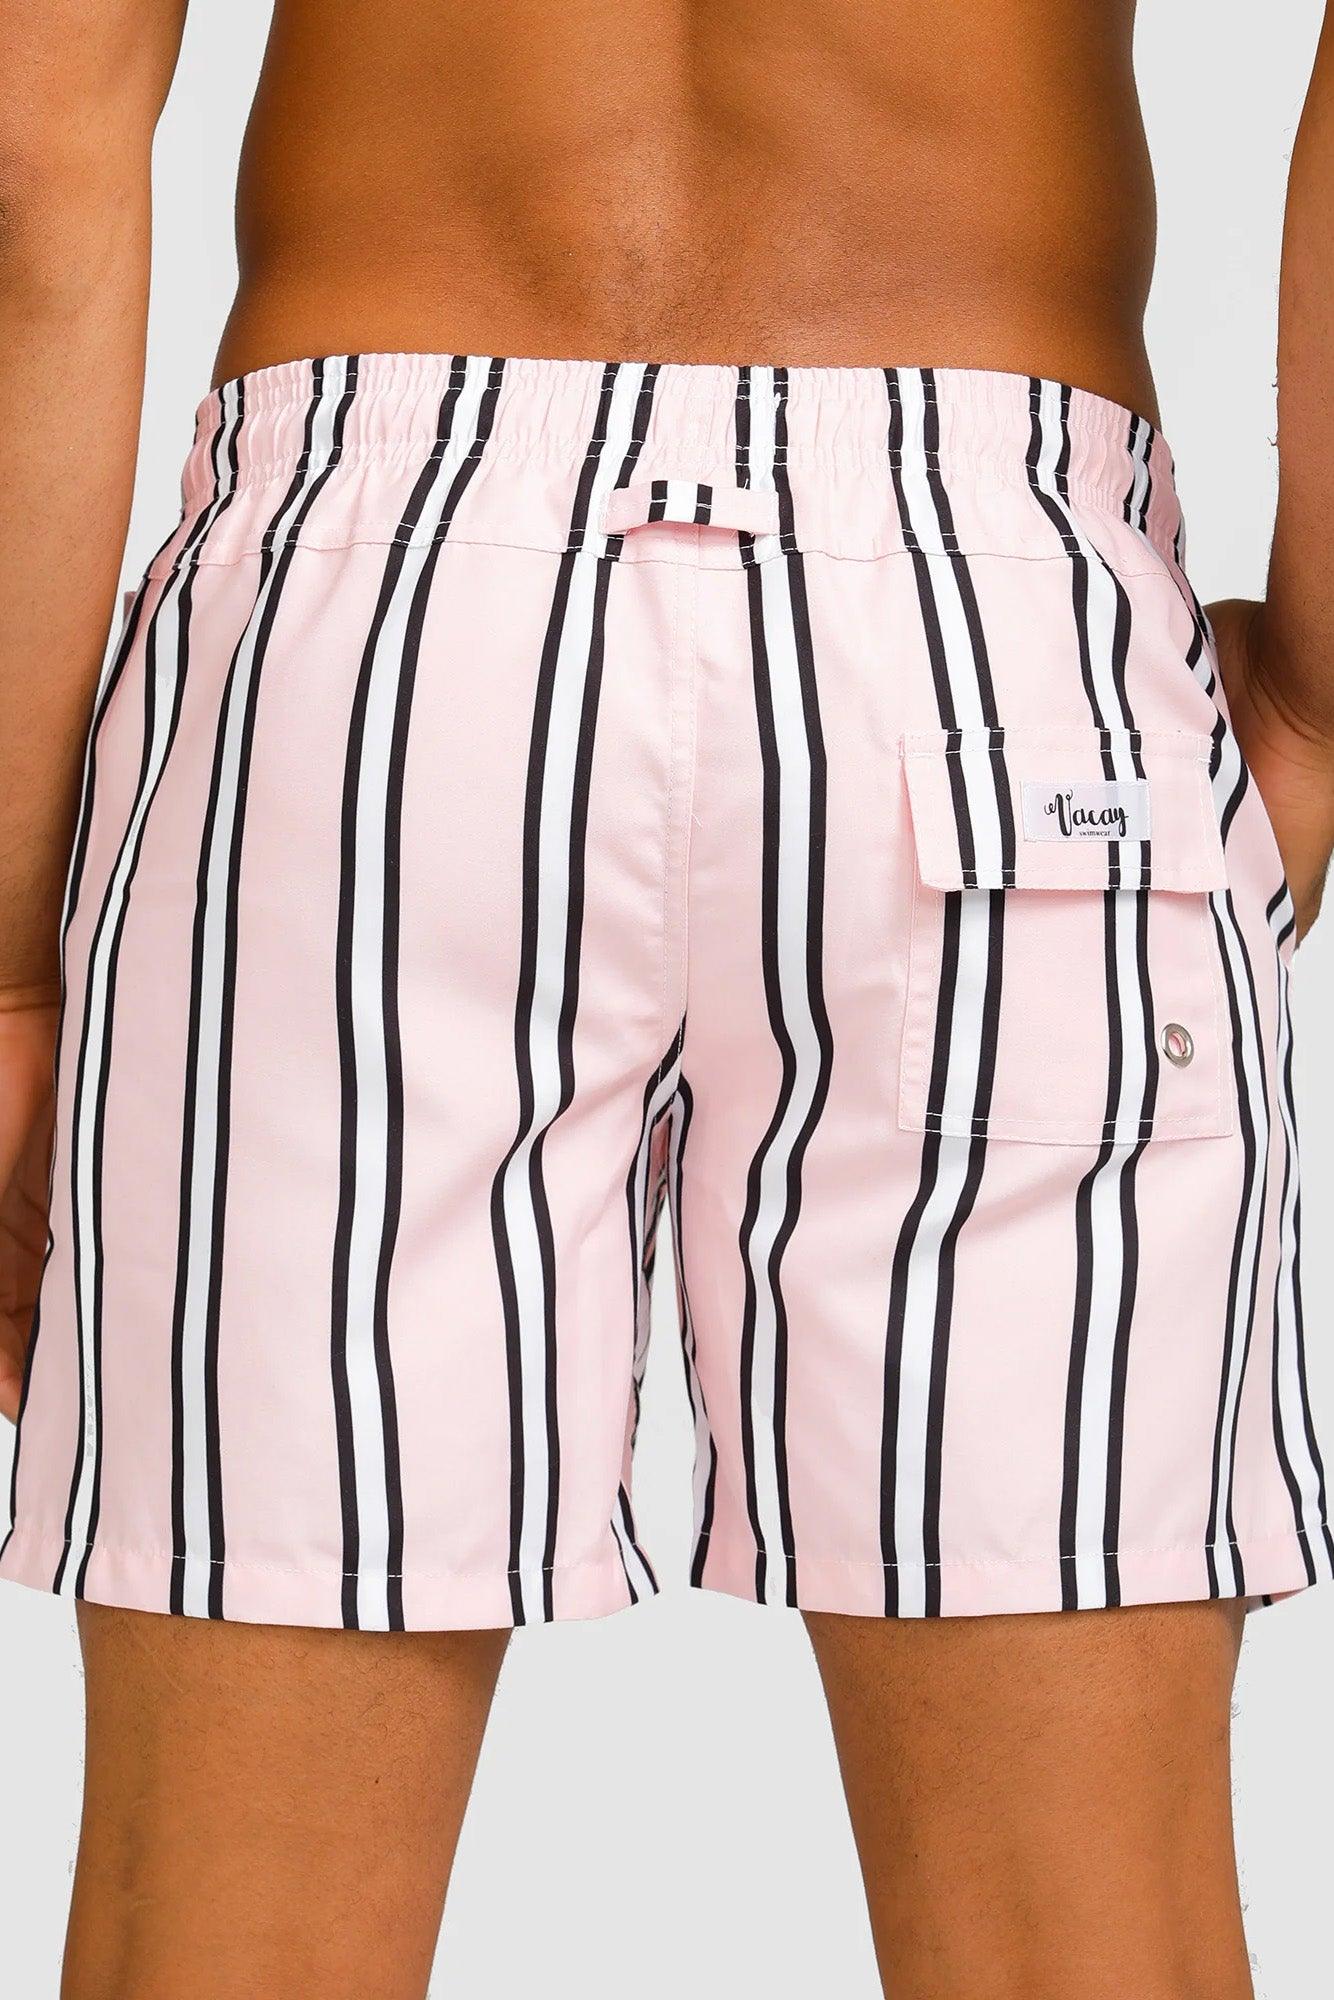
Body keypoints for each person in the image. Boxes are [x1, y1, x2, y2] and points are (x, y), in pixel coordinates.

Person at [1, 2, 1331, 1993]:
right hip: (986, 620)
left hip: (370, 632)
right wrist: (1308, 694)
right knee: (1081, 1947)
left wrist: (9, 967)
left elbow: (29, 159)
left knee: (227, 1946)